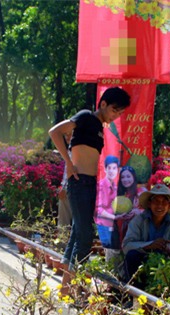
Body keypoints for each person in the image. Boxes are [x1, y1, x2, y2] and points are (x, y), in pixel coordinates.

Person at [48, 87, 131, 290]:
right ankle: (72, 289)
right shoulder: (86, 116)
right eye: (114, 110)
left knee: (78, 235)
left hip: (89, 184)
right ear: (103, 104)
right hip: (79, 182)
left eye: (119, 113)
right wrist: (68, 162)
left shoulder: (100, 128)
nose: (116, 116)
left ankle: (66, 289)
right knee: (86, 237)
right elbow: (54, 132)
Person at [121, 183, 170, 286]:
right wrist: (149, 245)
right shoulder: (138, 221)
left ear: (169, 206)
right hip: (142, 264)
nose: (160, 205)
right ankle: (137, 293)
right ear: (150, 204)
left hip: (163, 264)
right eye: (156, 201)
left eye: (164, 202)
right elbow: (126, 246)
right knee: (132, 256)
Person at [95, 155, 120, 249]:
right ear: (105, 169)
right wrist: (114, 217)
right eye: (109, 168)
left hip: (113, 225)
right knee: (109, 250)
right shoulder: (101, 186)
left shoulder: (116, 187)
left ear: (117, 170)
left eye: (114, 168)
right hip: (104, 225)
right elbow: (99, 209)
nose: (111, 171)